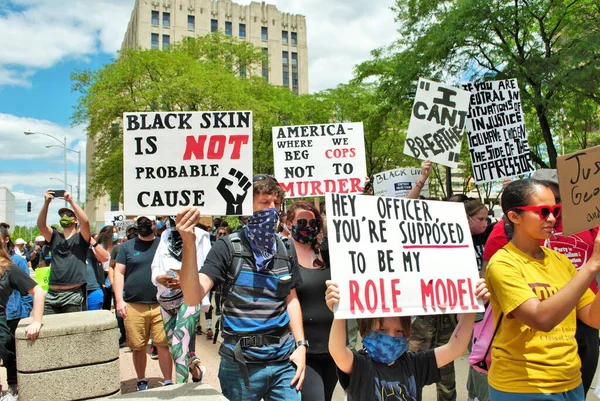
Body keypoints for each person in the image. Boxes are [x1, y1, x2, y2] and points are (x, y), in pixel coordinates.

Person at [178, 174, 307, 401]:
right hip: (240, 366)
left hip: (284, 362)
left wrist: (301, 346)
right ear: (247, 208)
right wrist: (188, 242)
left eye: (276, 204)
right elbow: (192, 296)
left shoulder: (286, 248)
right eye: (265, 202)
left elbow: (291, 299)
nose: (272, 209)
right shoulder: (227, 247)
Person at [483, 170, 600, 397]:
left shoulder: (561, 261)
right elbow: (541, 319)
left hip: (570, 381)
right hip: (522, 386)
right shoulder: (502, 264)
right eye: (543, 212)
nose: (553, 219)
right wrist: (592, 265)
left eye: (555, 210)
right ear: (514, 216)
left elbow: (594, 318)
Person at [325, 279, 489, 400]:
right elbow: (337, 351)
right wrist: (339, 313)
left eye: (399, 331)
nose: (391, 336)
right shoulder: (360, 366)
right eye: (382, 330)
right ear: (366, 329)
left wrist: (471, 309)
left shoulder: (415, 364)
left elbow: (456, 348)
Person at [114, 215, 173, 391]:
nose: (144, 224)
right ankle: (141, 380)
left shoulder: (163, 245)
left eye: (148, 221)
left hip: (160, 304)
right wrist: (119, 300)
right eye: (141, 221)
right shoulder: (126, 247)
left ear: (154, 224)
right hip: (134, 305)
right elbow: (119, 273)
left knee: (163, 344)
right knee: (138, 347)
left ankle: (168, 381)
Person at [286, 201, 336, 401]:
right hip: (304, 351)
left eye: (313, 221)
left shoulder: (327, 252)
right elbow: (290, 301)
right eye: (302, 221)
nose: (308, 226)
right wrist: (300, 344)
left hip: (332, 348)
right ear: (290, 223)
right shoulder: (284, 254)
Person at [151, 218, 211, 383]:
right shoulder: (165, 235)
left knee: (178, 347)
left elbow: (208, 269)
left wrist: (186, 280)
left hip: (189, 298)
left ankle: (181, 392)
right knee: (176, 349)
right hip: (165, 300)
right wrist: (159, 278)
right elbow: (156, 265)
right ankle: (196, 370)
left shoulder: (201, 236)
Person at [37, 190, 107, 314]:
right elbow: (41, 225)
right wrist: (46, 203)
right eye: (62, 215)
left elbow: (85, 222)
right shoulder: (54, 236)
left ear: (75, 220)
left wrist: (71, 201)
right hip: (52, 294)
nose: (65, 217)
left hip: (73, 294)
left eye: (69, 214)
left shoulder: (81, 238)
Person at [0, 224, 45, 399]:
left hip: (2, 320)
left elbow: (38, 291)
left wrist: (36, 320)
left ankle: (13, 388)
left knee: (8, 353)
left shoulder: (8, 267)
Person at [462, 199, 493, 401]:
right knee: (478, 351)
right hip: (465, 300)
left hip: (484, 300)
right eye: (480, 219)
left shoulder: (488, 236)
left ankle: (475, 395)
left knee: (479, 351)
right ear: (467, 219)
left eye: (487, 218)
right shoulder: (458, 238)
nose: (485, 222)